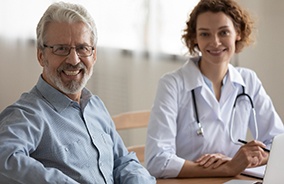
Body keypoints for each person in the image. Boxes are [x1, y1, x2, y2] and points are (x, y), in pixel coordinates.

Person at [0, 2, 155, 184]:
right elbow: (4, 160)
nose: (73, 60)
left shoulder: (95, 106)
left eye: (82, 48)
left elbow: (122, 161)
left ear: (94, 55)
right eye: (61, 49)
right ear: (41, 56)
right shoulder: (27, 114)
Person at [145, 0, 284, 179]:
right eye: (205, 34)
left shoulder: (248, 81)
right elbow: (157, 161)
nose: (215, 42)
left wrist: (251, 157)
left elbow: (279, 142)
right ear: (195, 37)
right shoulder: (172, 84)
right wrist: (228, 167)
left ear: (238, 33)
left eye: (224, 32)